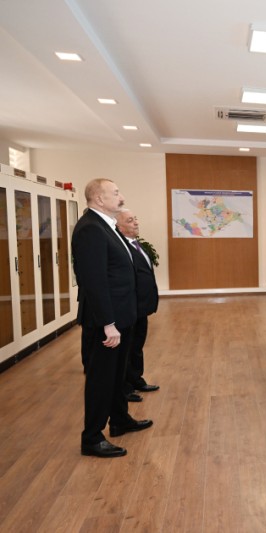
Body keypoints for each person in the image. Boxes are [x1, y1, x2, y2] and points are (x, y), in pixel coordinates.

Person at [72, 179, 153, 458]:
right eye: (115, 193)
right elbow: (94, 282)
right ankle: (92, 437)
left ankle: (120, 420)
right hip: (108, 322)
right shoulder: (90, 229)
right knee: (101, 379)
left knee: (118, 375)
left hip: (122, 317)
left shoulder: (106, 226)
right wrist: (108, 323)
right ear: (98, 198)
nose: (121, 197)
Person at [116, 209, 160, 402]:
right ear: (119, 226)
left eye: (135, 219)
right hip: (130, 308)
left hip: (141, 307)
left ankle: (136, 380)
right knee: (127, 348)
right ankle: (125, 388)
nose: (136, 223)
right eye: (130, 220)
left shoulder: (136, 244)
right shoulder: (121, 247)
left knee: (137, 345)